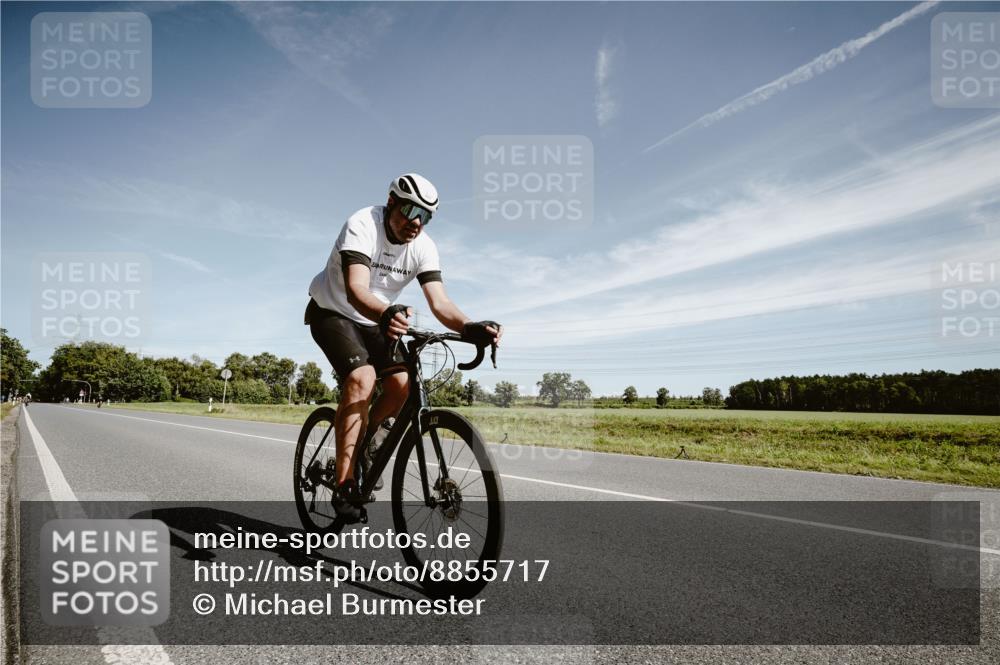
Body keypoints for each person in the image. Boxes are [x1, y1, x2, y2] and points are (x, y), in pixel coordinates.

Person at [306, 173, 501, 522]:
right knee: (363, 378)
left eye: (425, 216)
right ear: (391, 202)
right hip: (333, 311)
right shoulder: (363, 223)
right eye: (410, 210)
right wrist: (386, 312)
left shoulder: (423, 247)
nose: (416, 222)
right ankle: (345, 484)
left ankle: (365, 441)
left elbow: (441, 304)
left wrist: (471, 327)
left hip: (377, 318)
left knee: (401, 385)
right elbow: (355, 289)